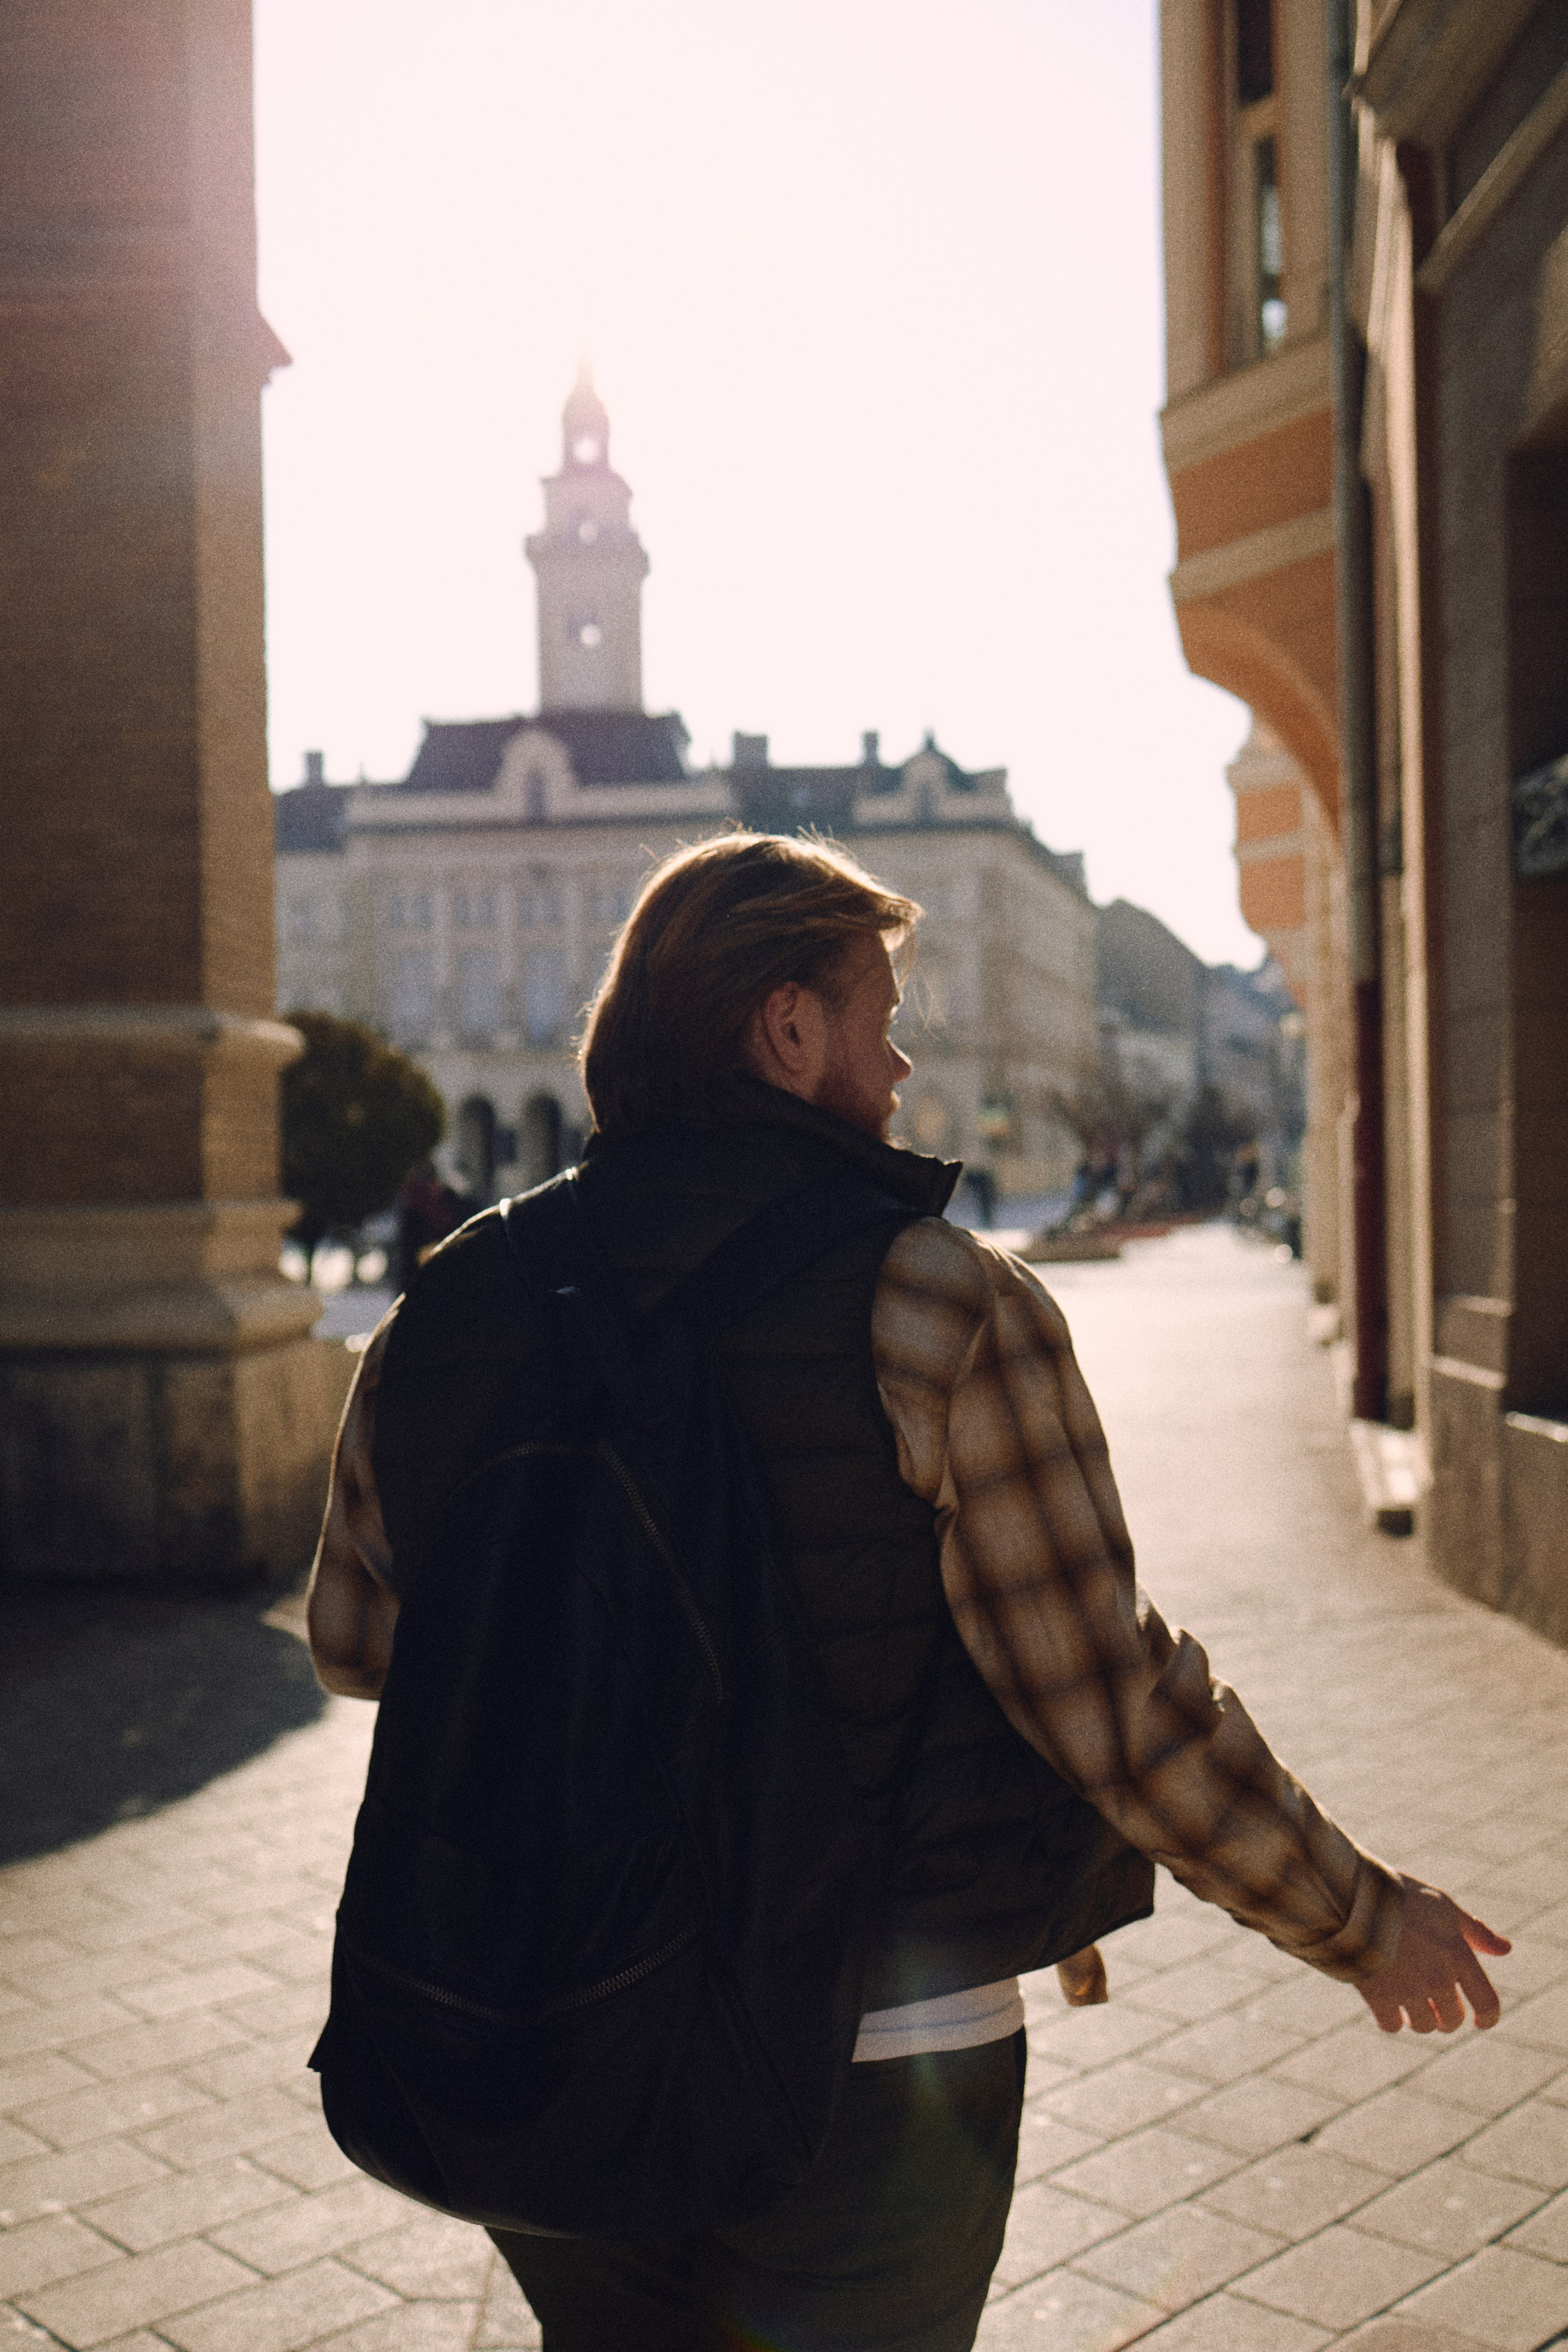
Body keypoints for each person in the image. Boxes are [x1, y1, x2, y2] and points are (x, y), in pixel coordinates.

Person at [308, 832, 1509, 2352]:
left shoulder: (452, 1299)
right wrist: (1353, 1915)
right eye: (878, 1018)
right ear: (787, 1028)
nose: (896, 1065)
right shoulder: (938, 1297)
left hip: (547, 2013)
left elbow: (359, 1643)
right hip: (871, 2049)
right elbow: (1110, 1707)